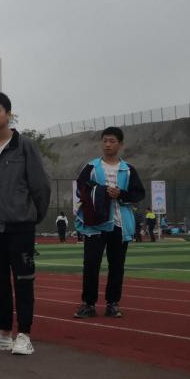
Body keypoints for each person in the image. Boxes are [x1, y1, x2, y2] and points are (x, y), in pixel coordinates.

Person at [0, 92, 51, 356]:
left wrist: (32, 216)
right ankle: (3, 333)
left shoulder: (25, 146)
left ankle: (24, 334)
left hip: (20, 225)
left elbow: (41, 186)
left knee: (23, 281)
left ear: (8, 114)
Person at [73, 127, 145, 320]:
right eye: (105, 140)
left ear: (120, 144)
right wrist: (101, 191)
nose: (107, 144)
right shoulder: (91, 167)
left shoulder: (128, 170)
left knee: (117, 265)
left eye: (112, 141)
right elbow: (80, 189)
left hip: (120, 225)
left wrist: (120, 194)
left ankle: (112, 303)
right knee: (90, 264)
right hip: (95, 224)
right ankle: (88, 303)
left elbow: (139, 194)